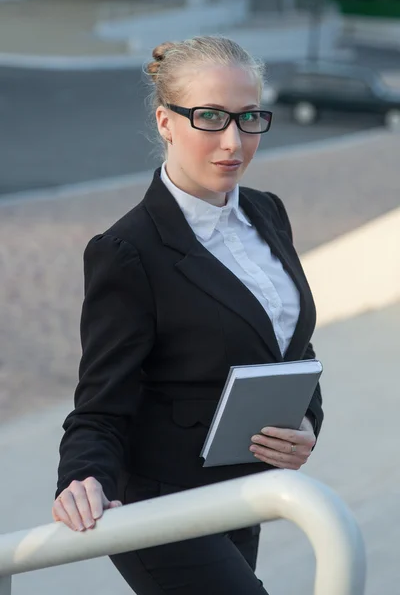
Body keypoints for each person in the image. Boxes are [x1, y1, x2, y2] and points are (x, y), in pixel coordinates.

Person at [53, 36, 323, 594]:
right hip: (160, 506)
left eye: (248, 117)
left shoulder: (268, 212)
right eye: (209, 117)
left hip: (238, 495)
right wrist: (81, 477)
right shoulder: (128, 251)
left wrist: (308, 422)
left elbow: (293, 347)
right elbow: (100, 402)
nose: (233, 142)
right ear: (165, 122)